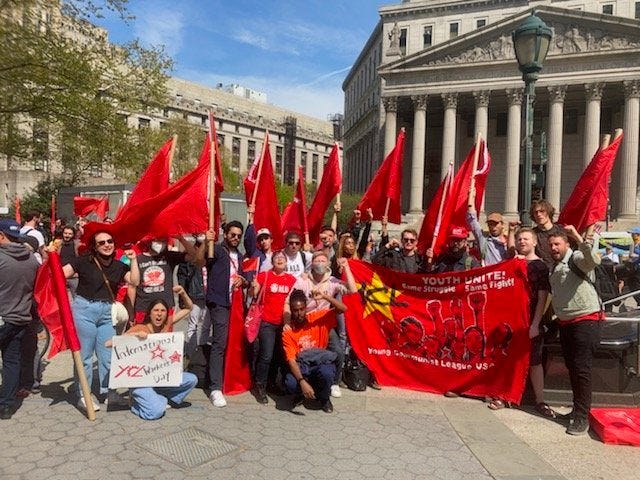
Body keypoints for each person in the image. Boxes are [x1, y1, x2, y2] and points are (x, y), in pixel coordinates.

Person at [62, 230, 140, 411]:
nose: (107, 245)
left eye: (110, 241)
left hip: (107, 313)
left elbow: (134, 282)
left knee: (107, 355)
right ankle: (84, 394)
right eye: (101, 242)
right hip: (84, 310)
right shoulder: (83, 261)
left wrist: (134, 260)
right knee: (85, 356)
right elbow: (61, 274)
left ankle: (109, 393)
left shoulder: (120, 266)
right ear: (94, 247)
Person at [488, 228, 555, 418]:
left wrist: (535, 324)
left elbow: (543, 297)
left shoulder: (540, 266)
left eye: (526, 239)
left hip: (530, 320)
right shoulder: (511, 264)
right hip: (511, 321)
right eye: (519, 239)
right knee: (507, 357)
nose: (522, 242)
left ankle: (539, 400)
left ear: (534, 242)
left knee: (534, 361)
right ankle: (503, 395)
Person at [548, 225, 601, 436]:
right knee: (573, 369)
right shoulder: (555, 265)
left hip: (585, 321)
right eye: (551, 244)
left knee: (581, 370)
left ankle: (582, 417)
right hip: (567, 324)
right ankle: (577, 410)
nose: (553, 247)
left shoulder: (576, 257)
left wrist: (579, 237)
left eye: (557, 244)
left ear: (566, 244)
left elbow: (593, 261)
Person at [117, 286, 197, 420]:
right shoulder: (141, 327)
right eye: (156, 310)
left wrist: (183, 293)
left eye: (163, 311)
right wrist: (136, 335)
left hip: (160, 378)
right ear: (149, 313)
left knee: (191, 379)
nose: (159, 314)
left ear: (167, 314)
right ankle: (136, 404)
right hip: (141, 381)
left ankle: (160, 396)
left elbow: (189, 308)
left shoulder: (166, 325)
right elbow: (111, 343)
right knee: (156, 412)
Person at [285, 253, 357, 398]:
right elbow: (288, 301)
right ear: (311, 263)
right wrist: (287, 322)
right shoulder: (302, 281)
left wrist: (346, 267)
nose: (320, 263)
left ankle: (334, 382)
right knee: (299, 354)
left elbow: (353, 289)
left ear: (328, 263)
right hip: (303, 322)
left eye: (323, 260)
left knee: (338, 350)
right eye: (317, 260)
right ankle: (299, 383)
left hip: (324, 323)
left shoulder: (332, 281)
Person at [196, 220, 248, 408]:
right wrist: (205, 242)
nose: (235, 238)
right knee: (219, 341)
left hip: (235, 305)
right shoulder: (216, 250)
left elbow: (244, 278)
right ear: (225, 234)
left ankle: (227, 379)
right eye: (232, 234)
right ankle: (215, 387)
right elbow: (199, 261)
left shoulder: (240, 256)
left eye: (238, 235)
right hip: (219, 303)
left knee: (231, 342)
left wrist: (243, 281)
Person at [0, 219, 39, 420]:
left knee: (11, 361)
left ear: (1, 236)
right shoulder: (32, 259)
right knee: (11, 361)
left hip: (2, 318)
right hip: (21, 318)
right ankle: (6, 406)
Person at [282, 289, 343, 413]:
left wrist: (325, 296)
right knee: (290, 383)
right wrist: (302, 381)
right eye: (295, 310)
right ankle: (300, 394)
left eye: (302, 309)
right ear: (291, 312)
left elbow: (343, 309)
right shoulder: (288, 332)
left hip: (320, 363)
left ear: (306, 308)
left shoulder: (318, 318)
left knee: (327, 373)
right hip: (303, 366)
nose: (299, 313)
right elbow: (292, 361)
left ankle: (324, 398)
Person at [248, 250, 297, 404]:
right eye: (277, 258)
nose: (280, 260)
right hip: (267, 322)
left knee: (278, 356)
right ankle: (260, 385)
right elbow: (252, 294)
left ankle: (271, 383)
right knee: (266, 355)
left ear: (286, 262)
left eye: (283, 258)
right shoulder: (265, 275)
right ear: (273, 261)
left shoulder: (292, 280)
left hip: (283, 323)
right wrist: (253, 286)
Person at [131, 236, 197, 324]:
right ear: (150, 241)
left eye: (163, 240)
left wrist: (181, 239)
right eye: (157, 240)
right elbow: (133, 286)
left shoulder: (169, 257)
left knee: (165, 334)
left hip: (165, 308)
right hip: (143, 308)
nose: (160, 243)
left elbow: (193, 256)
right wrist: (131, 312)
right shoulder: (138, 259)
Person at [530, 199, 565, 267]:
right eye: (535, 212)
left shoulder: (561, 230)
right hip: (541, 271)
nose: (538, 214)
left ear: (549, 212)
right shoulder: (532, 234)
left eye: (542, 211)